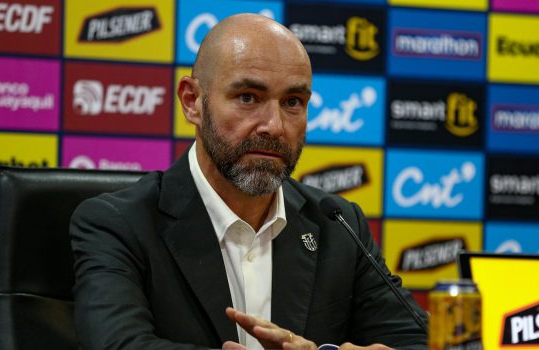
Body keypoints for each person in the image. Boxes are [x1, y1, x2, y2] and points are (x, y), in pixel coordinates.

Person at [70, 13, 428, 350]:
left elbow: (420, 341)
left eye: (292, 102)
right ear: (192, 101)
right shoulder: (118, 224)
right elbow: (118, 345)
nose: (273, 125)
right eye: (247, 98)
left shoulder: (338, 225)